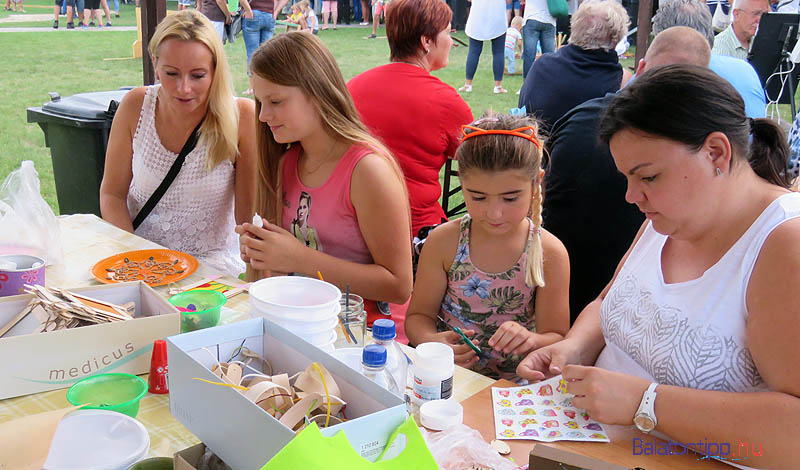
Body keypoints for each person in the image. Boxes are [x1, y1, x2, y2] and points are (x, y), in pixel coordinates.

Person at [517, 65, 798, 469]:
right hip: (586, 449)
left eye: (647, 176)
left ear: (716, 152)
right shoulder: (669, 214)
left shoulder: (783, 244)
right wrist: (574, 346)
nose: (632, 196)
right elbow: (610, 301)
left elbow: (793, 435)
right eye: (628, 178)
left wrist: (644, 402)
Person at [238, 32, 413, 334]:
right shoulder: (286, 162)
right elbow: (285, 269)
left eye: (276, 101)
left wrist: (299, 257)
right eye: (260, 101)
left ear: (318, 93)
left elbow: (398, 286)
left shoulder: (367, 170)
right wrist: (264, 251)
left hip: (363, 337)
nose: (264, 115)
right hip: (301, 324)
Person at [543, 27, 710, 324]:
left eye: (648, 177)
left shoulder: (580, 115)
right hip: (576, 302)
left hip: (551, 289)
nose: (631, 195)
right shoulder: (678, 161)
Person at [405, 114, 570, 381]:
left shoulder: (549, 252)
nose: (494, 213)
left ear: (536, 183)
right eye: (478, 197)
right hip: (448, 378)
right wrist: (432, 341)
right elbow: (418, 317)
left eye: (510, 197)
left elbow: (558, 336)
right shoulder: (445, 241)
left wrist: (529, 338)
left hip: (512, 390)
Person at [100, 10, 257, 276]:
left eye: (197, 75)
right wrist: (134, 258)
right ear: (155, 64)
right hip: (140, 260)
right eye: (172, 73)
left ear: (215, 70)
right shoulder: (135, 106)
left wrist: (256, 279)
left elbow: (247, 219)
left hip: (210, 268)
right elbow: (112, 195)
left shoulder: (241, 117)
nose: (184, 88)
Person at [348, 0, 473, 246]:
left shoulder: (351, 88)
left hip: (354, 227)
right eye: (447, 32)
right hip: (417, 234)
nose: (451, 41)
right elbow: (478, 161)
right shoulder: (445, 101)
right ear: (426, 41)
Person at [518, 0, 628, 132]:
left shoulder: (541, 66)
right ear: (615, 39)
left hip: (535, 146)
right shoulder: (618, 80)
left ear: (575, 27)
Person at [653, 0, 767, 119]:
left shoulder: (654, 76)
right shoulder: (745, 69)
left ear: (660, 40)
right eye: (756, 13)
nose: (760, 19)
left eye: (764, 14)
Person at [458, 0, 509, 94]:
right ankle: (498, 86)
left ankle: (468, 84)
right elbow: (509, 2)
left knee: (474, 51)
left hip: (478, 16)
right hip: (497, 17)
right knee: (498, 52)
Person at [241, 0, 284, 96]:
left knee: (252, 53)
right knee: (267, 53)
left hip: (253, 13)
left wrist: (248, 10)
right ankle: (267, 85)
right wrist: (276, 11)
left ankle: (252, 88)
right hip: (269, 15)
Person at [520, 0, 556, 79]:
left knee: (529, 55)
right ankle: (549, 84)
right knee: (549, 56)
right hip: (549, 20)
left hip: (532, 16)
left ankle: (527, 85)